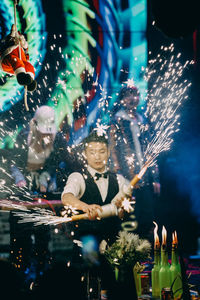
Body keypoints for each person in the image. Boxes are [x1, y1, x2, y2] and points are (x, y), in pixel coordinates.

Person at [9, 105, 75, 287]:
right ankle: (19, 278)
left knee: (44, 238)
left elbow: (58, 164)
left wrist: (46, 179)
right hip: (22, 193)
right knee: (21, 238)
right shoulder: (23, 137)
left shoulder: (59, 139)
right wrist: (20, 179)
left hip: (46, 195)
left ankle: (42, 277)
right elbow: (13, 163)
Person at [61, 130, 130, 300]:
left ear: (108, 152)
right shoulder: (78, 177)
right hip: (87, 246)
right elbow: (67, 197)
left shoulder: (119, 179)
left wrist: (122, 210)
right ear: (85, 154)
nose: (97, 157)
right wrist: (85, 207)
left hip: (113, 246)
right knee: (88, 290)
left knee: (118, 290)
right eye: (92, 152)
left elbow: (123, 213)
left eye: (101, 151)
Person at [109, 85, 161, 240]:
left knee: (147, 214)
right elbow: (112, 148)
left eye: (135, 95)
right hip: (127, 176)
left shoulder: (143, 119)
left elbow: (152, 148)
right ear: (122, 99)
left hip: (145, 175)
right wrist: (117, 171)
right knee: (130, 215)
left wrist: (156, 177)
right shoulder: (117, 120)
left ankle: (147, 250)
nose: (132, 99)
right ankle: (131, 254)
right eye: (128, 95)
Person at [0, 24, 37, 91]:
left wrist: (20, 74)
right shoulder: (28, 66)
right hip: (17, 54)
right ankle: (13, 39)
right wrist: (24, 47)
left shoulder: (9, 64)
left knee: (14, 58)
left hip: (8, 58)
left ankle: (11, 38)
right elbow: (25, 59)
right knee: (23, 49)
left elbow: (16, 62)